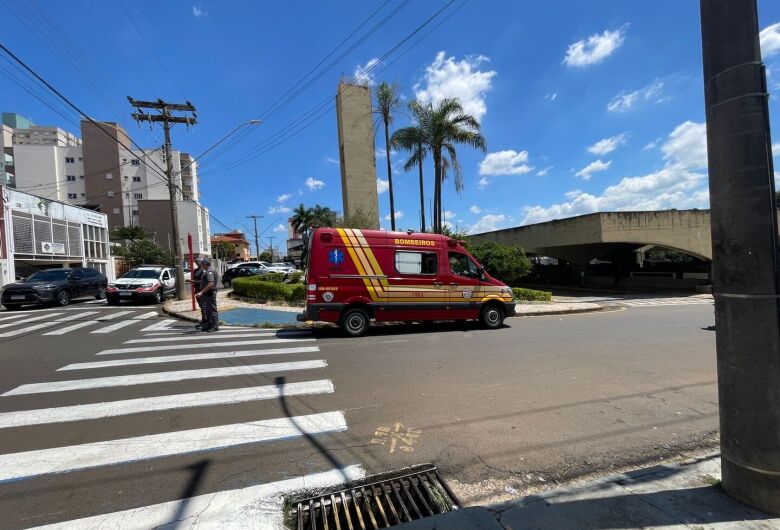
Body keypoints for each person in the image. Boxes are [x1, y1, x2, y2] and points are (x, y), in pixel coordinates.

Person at [195, 258, 219, 332]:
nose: (201, 266)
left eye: (202, 264)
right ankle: (209, 325)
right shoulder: (207, 271)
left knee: (212, 310)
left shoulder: (210, 271)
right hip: (207, 294)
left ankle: (214, 326)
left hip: (210, 293)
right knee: (208, 310)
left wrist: (201, 292)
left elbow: (211, 283)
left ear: (205, 264)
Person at [186, 262, 206, 329]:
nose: (198, 263)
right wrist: (192, 281)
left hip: (201, 291)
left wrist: (192, 281)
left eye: (199, 262)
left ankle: (205, 322)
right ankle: (204, 321)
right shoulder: (196, 270)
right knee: (201, 306)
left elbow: (202, 281)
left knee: (203, 307)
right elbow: (195, 279)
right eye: (197, 262)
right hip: (197, 290)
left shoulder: (203, 271)